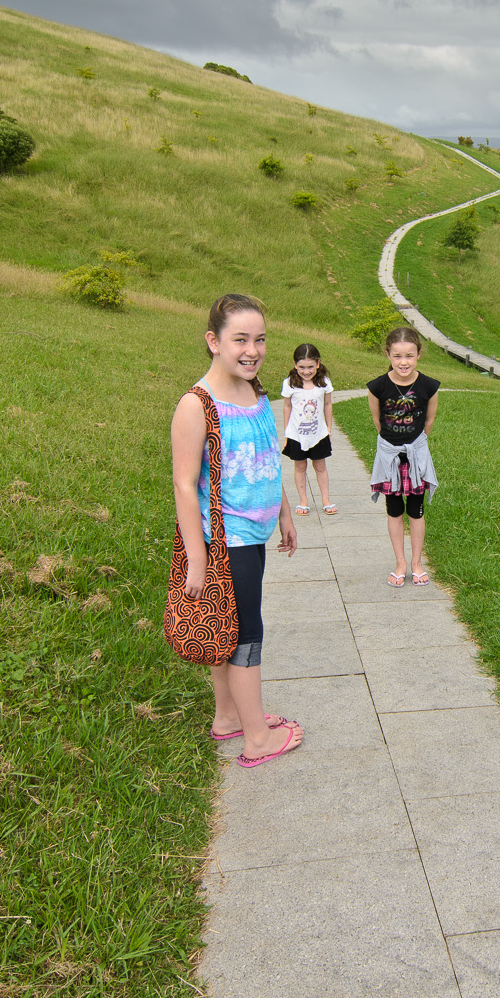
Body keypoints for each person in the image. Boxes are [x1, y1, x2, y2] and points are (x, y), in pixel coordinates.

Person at [171, 293, 303, 767]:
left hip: (257, 533)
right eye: (240, 339)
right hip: (226, 543)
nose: (253, 350)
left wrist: (285, 513)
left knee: (229, 630)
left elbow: (270, 460)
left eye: (260, 339)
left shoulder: (255, 392)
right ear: (213, 341)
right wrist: (198, 560)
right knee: (247, 633)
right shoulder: (196, 405)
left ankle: (227, 718)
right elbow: (185, 487)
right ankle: (257, 739)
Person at [367, 326, 439, 586]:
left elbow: (428, 421)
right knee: (394, 509)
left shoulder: (429, 386)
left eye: (409, 355)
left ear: (419, 354)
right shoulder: (377, 387)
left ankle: (417, 562)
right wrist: (392, 446)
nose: (403, 362)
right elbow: (378, 422)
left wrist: (414, 447)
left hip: (416, 458)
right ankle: (400, 562)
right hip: (390, 458)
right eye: (397, 356)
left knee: (416, 511)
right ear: (388, 355)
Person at [281, 343, 336, 515]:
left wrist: (328, 427)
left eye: (310, 367)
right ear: (295, 364)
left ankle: (326, 499)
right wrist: (286, 433)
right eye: (302, 367)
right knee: (300, 467)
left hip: (318, 434)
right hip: (297, 435)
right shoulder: (290, 383)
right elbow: (287, 407)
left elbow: (327, 404)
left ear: (318, 364)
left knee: (320, 466)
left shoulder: (324, 383)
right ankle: (303, 500)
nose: (306, 371)